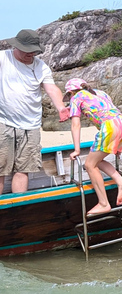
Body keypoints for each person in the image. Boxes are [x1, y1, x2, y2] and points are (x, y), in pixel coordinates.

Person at [0, 29, 69, 194]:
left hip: (31, 125)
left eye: (34, 51)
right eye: (27, 50)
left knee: (23, 169)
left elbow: (51, 88)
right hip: (3, 122)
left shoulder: (41, 66)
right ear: (16, 46)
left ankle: (19, 209)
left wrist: (61, 107)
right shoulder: (3, 58)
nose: (31, 53)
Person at [66, 78, 122, 215]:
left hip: (110, 127)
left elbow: (75, 125)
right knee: (97, 160)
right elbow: (111, 111)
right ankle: (120, 181)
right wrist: (119, 146)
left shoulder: (76, 98)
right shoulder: (100, 93)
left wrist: (77, 150)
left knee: (90, 165)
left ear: (71, 92)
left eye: (68, 95)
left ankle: (103, 203)